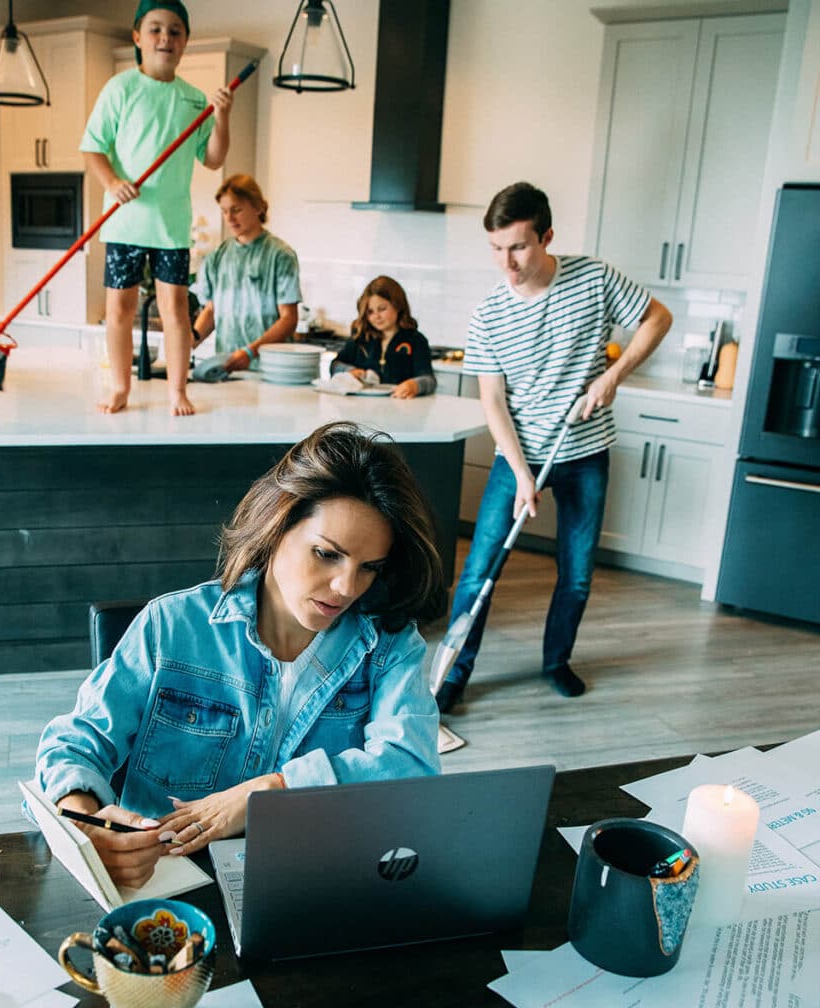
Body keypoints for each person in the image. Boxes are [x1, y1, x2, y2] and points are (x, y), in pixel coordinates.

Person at [35, 421, 445, 889]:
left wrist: (272, 790)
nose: (347, 588)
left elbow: (413, 770)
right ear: (276, 526)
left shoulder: (391, 646)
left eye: (368, 568)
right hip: (166, 891)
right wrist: (85, 824)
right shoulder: (170, 627)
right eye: (327, 555)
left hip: (317, 885)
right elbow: (72, 745)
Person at [434, 182, 672, 712]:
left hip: (586, 453)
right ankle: (454, 674)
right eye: (496, 248)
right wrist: (520, 474)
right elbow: (492, 402)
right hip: (520, 455)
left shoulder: (593, 278)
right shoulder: (489, 313)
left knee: (578, 573)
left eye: (518, 246)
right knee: (478, 571)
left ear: (547, 238)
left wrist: (613, 376)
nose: (507, 262)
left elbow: (658, 318)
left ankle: (555, 661)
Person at [81, 0, 233, 417]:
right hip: (125, 221)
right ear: (137, 37)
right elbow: (93, 148)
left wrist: (221, 116)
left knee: (176, 312)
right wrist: (113, 183)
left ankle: (177, 390)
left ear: (185, 42)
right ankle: (119, 387)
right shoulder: (120, 88)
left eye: (175, 31)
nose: (165, 38)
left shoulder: (194, 98)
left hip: (170, 226)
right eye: (155, 29)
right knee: (119, 310)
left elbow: (214, 158)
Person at [191, 174, 301, 372]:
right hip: (226, 367)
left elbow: (289, 318)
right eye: (224, 211)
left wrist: (251, 352)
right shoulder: (217, 256)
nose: (229, 218)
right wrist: (189, 342)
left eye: (236, 210)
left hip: (269, 370)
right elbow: (211, 310)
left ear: (258, 207)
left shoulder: (281, 255)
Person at [330, 276, 436, 398]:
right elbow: (335, 365)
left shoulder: (416, 340)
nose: (376, 316)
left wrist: (415, 385)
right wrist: (349, 371)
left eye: (382, 309)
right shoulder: (360, 338)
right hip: (361, 408)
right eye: (370, 312)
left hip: (401, 408)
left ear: (398, 305)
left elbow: (429, 380)